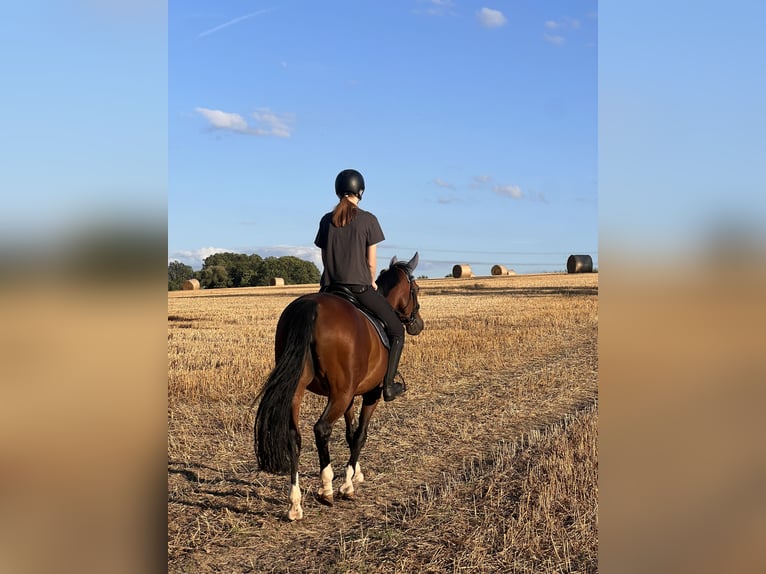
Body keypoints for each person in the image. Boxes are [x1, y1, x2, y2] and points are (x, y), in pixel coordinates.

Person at [314, 169, 406, 402]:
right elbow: (371, 263)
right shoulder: (368, 220)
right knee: (397, 330)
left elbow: (325, 259)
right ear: (361, 191)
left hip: (329, 289)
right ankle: (388, 386)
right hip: (359, 288)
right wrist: (371, 281)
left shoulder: (327, 220)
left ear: (338, 191)